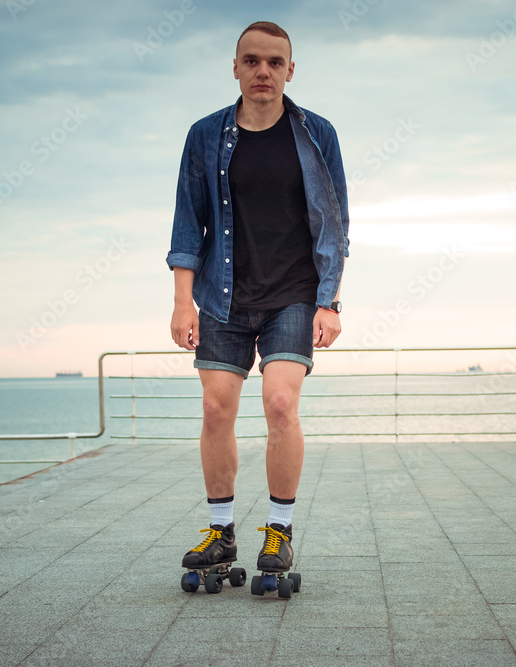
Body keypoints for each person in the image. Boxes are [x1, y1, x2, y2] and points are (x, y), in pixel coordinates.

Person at [167, 20, 349, 580]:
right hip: (222, 298)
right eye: (252, 61)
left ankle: (279, 532)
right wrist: (182, 302)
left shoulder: (318, 133)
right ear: (237, 67)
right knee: (216, 407)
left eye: (274, 62)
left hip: (293, 295)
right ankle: (221, 534)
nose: (263, 71)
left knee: (279, 404)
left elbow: (335, 225)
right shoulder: (205, 135)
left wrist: (329, 302)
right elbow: (187, 219)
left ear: (290, 70)